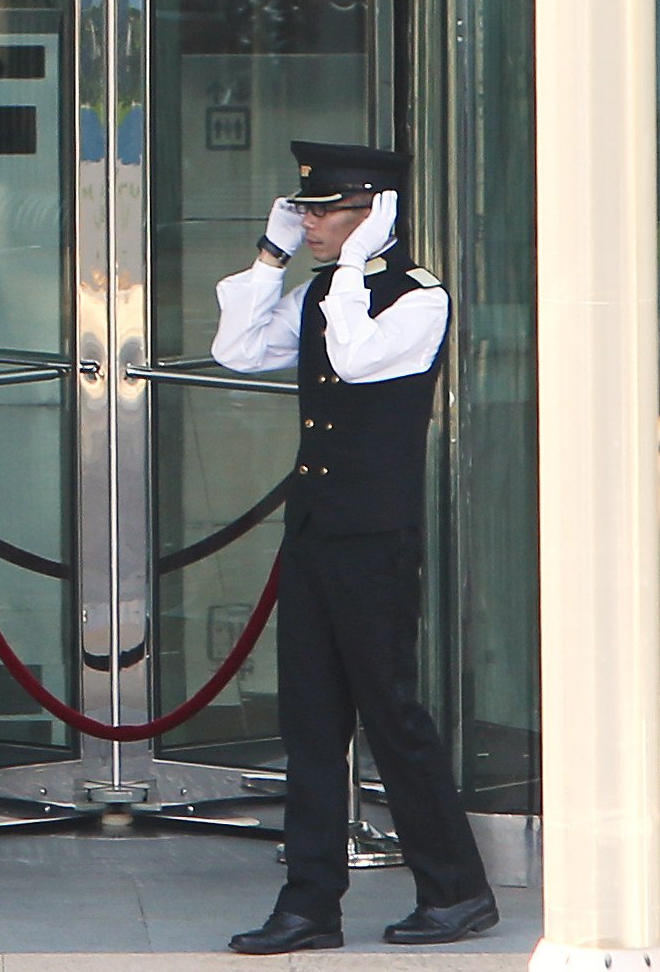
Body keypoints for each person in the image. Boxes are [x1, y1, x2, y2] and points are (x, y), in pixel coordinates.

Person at [212, 142, 496, 956]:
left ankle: (456, 890)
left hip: (375, 537)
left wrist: (349, 269)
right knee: (309, 723)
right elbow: (237, 350)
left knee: (391, 714)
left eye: (325, 211)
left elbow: (357, 358)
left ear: (375, 214)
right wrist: (270, 260)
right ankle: (310, 905)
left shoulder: (419, 297)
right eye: (303, 211)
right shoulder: (318, 292)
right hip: (315, 531)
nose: (310, 225)